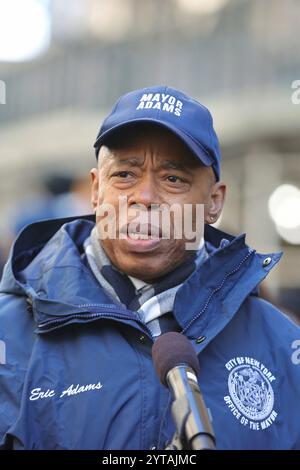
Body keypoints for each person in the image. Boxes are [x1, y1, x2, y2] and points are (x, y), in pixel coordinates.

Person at [0, 85, 299, 450]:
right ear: (96, 190)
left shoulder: (284, 347)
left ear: (214, 203)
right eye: (125, 174)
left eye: (173, 179)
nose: (144, 197)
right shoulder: (9, 334)